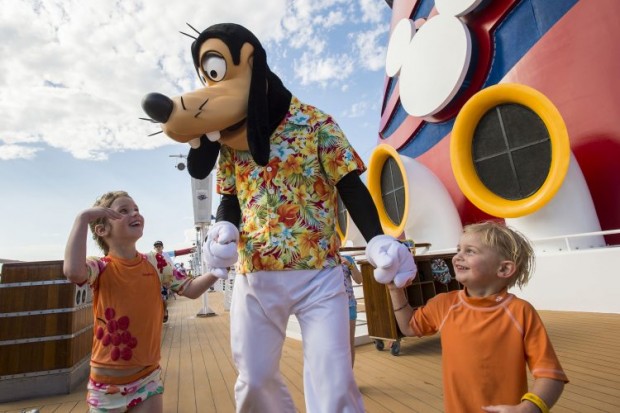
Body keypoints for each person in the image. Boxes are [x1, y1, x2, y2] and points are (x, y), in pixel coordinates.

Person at [64, 190, 220, 413]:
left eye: (136, 209)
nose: (135, 213)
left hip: (148, 378)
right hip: (106, 385)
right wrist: (82, 218)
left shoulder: (156, 262)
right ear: (102, 230)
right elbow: (73, 272)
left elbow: (191, 289)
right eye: (124, 211)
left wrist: (218, 270)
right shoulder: (100, 266)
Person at [388, 221, 569, 413]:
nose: (458, 257)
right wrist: (394, 289)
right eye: (458, 249)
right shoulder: (444, 304)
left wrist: (529, 408)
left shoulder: (520, 312)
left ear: (504, 269)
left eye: (470, 251)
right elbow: (409, 327)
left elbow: (551, 375)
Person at [342, 254, 363, 366]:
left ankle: (348, 376)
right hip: (328, 309)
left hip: (349, 306)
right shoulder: (320, 259)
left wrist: (349, 264)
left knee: (349, 344)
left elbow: (359, 280)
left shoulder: (347, 259)